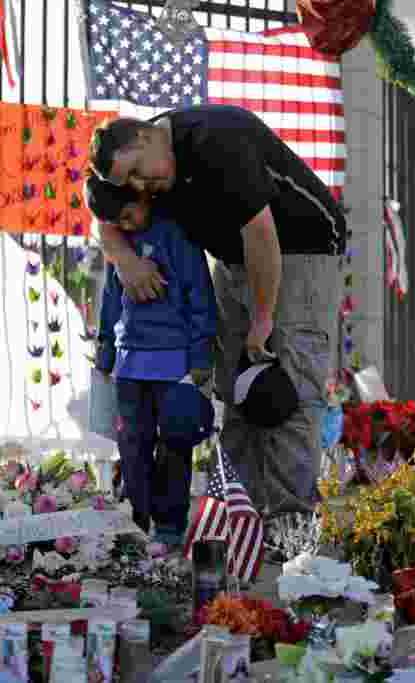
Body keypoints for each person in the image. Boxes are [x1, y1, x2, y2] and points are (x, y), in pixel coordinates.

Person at [88, 104, 346, 516]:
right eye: (130, 181)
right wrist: (123, 257)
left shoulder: (215, 139)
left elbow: (262, 233)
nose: (140, 186)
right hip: (233, 257)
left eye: (138, 171)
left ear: (148, 136)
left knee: (287, 386)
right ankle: (237, 516)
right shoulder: (145, 161)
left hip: (301, 247)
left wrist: (262, 320)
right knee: (236, 386)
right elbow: (104, 210)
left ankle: (289, 522)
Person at [87, 175, 216, 549]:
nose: (126, 226)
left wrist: (199, 357)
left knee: (175, 449)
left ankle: (171, 529)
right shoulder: (120, 247)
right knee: (132, 448)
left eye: (129, 215)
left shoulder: (177, 236)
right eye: (118, 223)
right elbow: (111, 299)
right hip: (129, 368)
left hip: (175, 367)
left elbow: (200, 296)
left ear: (144, 197)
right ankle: (136, 524)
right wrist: (106, 350)